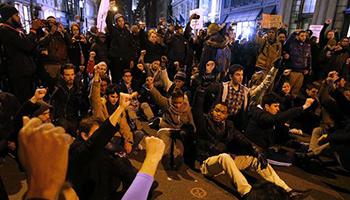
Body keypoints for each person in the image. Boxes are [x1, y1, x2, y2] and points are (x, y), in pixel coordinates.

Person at [193, 87, 309, 199]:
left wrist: (256, 150)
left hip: (225, 165)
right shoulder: (204, 122)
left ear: (226, 115)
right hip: (207, 164)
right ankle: (247, 193)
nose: (219, 114)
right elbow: (197, 111)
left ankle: (287, 190)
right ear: (212, 111)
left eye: (222, 112)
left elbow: (241, 138)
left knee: (255, 159)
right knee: (225, 157)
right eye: (217, 111)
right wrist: (199, 95)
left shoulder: (229, 125)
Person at [0, 4, 41, 103]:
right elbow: (27, 45)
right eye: (17, 15)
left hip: (26, 72)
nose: (19, 18)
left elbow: (32, 46)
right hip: (18, 73)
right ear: (10, 17)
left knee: (31, 98)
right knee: (23, 100)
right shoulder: (5, 30)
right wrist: (33, 30)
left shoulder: (14, 30)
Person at [106, 2, 135, 83]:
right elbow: (108, 22)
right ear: (116, 22)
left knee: (125, 78)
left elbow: (131, 46)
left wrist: (131, 59)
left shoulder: (127, 32)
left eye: (122, 20)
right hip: (116, 60)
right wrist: (110, 11)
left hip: (126, 60)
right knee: (116, 78)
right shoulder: (113, 30)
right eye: (119, 21)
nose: (121, 22)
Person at [284, 31, 312, 96]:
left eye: (305, 36)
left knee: (296, 90)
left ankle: (292, 103)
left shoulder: (307, 46)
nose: (304, 37)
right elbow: (285, 46)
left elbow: (309, 58)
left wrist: (308, 69)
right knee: (288, 89)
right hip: (293, 70)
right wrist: (293, 33)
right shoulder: (292, 44)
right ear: (297, 36)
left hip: (302, 71)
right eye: (302, 36)